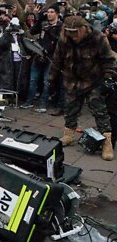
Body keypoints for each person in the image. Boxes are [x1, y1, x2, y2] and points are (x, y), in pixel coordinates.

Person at [49, 15, 116, 161]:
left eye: (75, 32)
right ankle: (68, 135)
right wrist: (51, 79)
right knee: (70, 109)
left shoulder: (98, 38)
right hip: (72, 80)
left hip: (94, 81)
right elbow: (57, 59)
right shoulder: (64, 39)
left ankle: (107, 142)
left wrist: (108, 78)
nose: (72, 35)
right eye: (69, 31)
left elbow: (109, 60)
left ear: (84, 28)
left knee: (100, 112)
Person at [21, 4, 63, 113]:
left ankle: (43, 105)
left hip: (51, 58)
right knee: (33, 79)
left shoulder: (60, 26)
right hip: (38, 54)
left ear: (57, 13)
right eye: (48, 12)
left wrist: (49, 31)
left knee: (46, 81)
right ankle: (28, 102)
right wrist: (39, 19)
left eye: (52, 12)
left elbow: (58, 41)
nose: (49, 14)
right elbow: (32, 31)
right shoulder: (44, 23)